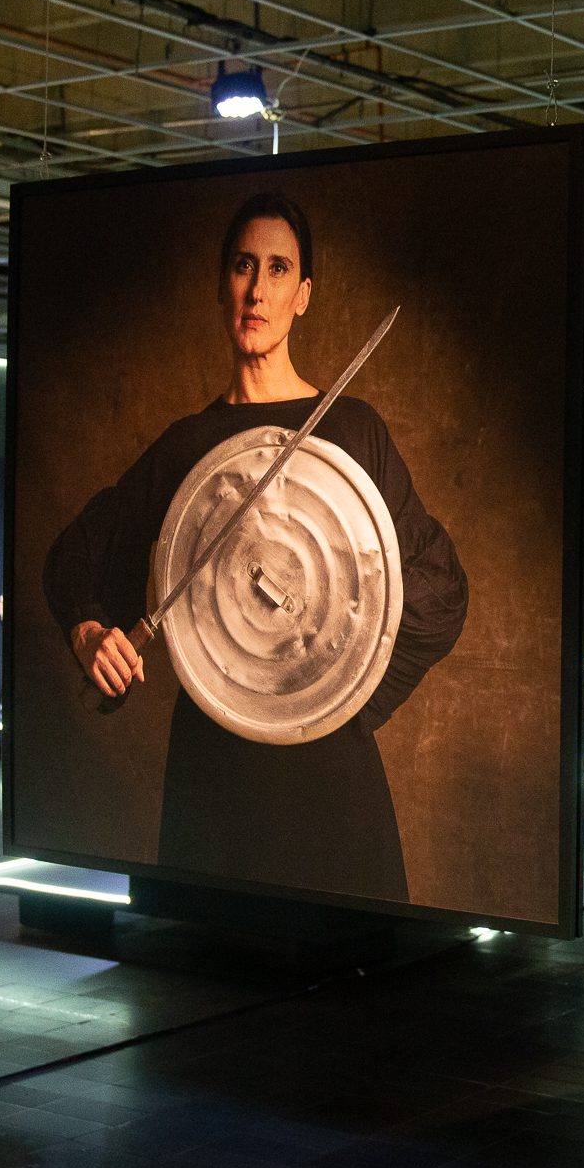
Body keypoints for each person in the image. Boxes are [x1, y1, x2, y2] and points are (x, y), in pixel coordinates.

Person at [42, 190, 468, 899]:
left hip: (328, 777)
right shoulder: (186, 446)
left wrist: (346, 692)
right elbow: (80, 554)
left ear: (302, 295)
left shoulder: (352, 432)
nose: (257, 289)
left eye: (278, 270)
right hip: (216, 776)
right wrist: (92, 633)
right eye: (243, 266)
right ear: (220, 284)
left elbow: (438, 585)